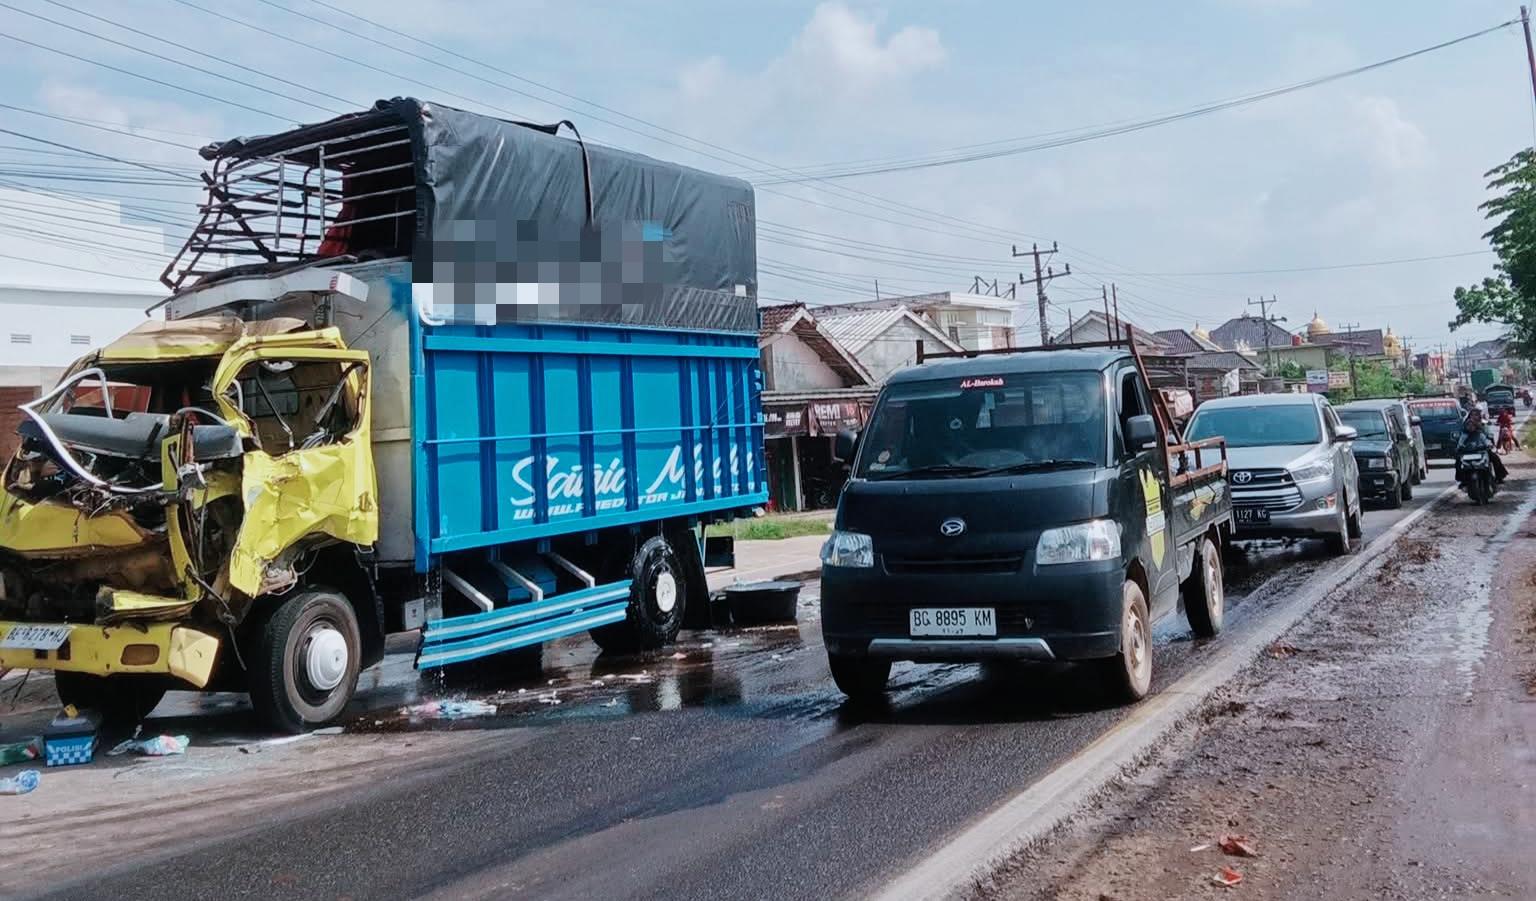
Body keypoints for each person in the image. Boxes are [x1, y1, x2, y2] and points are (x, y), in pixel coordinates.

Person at [1459, 409, 1508, 483]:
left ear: (1479, 416)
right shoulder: (1466, 424)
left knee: (1495, 458)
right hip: (1468, 450)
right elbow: (1461, 437)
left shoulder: (1483, 424)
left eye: (1476, 414)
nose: (1474, 416)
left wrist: (1489, 441)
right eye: (1472, 414)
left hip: (1481, 448)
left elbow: (1489, 434)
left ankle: (1499, 477)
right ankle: (1462, 480)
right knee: (1458, 462)